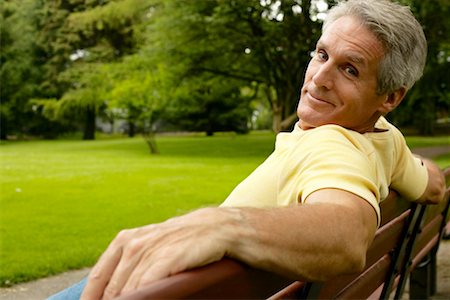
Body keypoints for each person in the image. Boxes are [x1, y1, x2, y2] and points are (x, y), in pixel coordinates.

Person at [49, 0, 446, 299]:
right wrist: (418, 166)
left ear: (390, 96)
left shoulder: (330, 144)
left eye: (350, 69)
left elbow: (348, 231)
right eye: (322, 54)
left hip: (174, 288)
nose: (318, 79)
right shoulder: (385, 139)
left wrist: (224, 224)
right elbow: (433, 184)